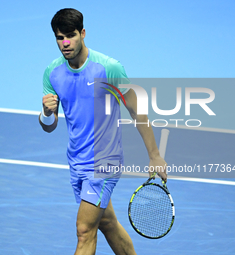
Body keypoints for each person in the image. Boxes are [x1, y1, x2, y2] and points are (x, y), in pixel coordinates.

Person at [39, 8, 167, 255]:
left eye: (71, 35)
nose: (65, 43)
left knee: (85, 230)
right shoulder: (52, 73)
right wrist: (46, 112)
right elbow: (49, 126)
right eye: (59, 37)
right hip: (76, 161)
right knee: (107, 223)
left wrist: (154, 155)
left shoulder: (109, 68)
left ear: (83, 33)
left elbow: (137, 111)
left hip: (104, 162)